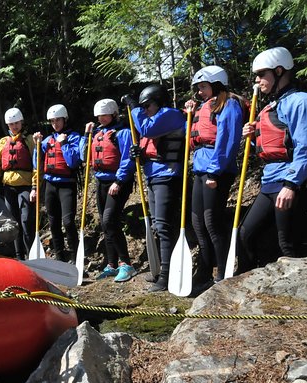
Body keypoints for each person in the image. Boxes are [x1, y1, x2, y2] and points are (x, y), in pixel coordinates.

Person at [238, 47, 307, 273]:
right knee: (246, 234)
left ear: (278, 71)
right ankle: (247, 288)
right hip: (271, 180)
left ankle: (301, 299)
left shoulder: (302, 102)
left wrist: (291, 184)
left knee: (288, 244)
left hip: (291, 182)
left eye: (261, 75)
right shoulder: (271, 106)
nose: (257, 81)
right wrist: (254, 135)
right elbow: (273, 144)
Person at [184, 66, 245, 290]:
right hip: (200, 168)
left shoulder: (229, 105)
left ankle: (222, 272)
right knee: (197, 222)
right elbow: (193, 134)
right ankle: (205, 271)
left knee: (212, 222)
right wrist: (189, 115)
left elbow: (227, 141)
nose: (199, 92)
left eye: (203, 87)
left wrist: (214, 171)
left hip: (217, 170)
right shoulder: (203, 106)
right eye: (198, 88)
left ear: (216, 84)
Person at [123, 85, 186, 292]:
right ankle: (161, 270)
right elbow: (151, 145)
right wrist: (139, 154)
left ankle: (166, 277)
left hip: (167, 177)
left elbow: (147, 129)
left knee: (165, 227)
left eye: (147, 105)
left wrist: (133, 107)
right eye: (142, 106)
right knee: (159, 227)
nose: (145, 109)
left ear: (159, 101)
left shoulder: (170, 114)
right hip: (153, 176)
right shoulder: (153, 119)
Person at [78, 99, 137, 281]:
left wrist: (118, 181)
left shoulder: (123, 132)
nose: (101, 118)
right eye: (99, 116)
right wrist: (86, 135)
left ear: (113, 114)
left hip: (118, 182)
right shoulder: (96, 133)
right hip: (101, 181)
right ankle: (111, 264)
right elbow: (83, 156)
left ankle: (126, 264)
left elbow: (128, 159)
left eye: (104, 115)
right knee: (105, 224)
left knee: (110, 220)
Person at [31, 104, 81, 263]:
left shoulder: (74, 137)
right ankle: (60, 257)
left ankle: (75, 257)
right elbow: (36, 164)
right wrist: (37, 146)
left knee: (68, 222)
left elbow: (73, 162)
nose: (55, 124)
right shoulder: (47, 140)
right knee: (53, 223)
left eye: (57, 120)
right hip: (50, 185)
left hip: (67, 185)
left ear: (64, 119)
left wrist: (64, 144)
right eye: (52, 121)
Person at [0, 107, 37, 260]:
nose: (14, 126)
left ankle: (32, 255)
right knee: (13, 223)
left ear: (21, 122)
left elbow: (37, 165)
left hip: (26, 186)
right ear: (7, 125)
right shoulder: (2, 143)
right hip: (9, 187)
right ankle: (19, 256)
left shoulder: (30, 140)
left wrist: (35, 186)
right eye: (11, 124)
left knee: (26, 220)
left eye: (16, 123)